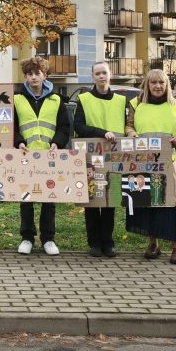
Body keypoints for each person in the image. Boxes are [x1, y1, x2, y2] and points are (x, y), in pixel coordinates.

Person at [124, 69, 176, 264]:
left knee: (169, 203)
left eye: (161, 83)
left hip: (167, 162)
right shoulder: (136, 104)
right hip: (143, 161)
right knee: (147, 201)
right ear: (147, 85)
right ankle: (153, 243)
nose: (158, 86)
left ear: (167, 85)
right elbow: (129, 126)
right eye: (153, 83)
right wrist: (132, 135)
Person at [12, 56, 70, 256]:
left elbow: (64, 127)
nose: (33, 77)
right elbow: (10, 127)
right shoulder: (17, 99)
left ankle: (48, 239)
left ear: (45, 75)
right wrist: (18, 141)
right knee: (26, 198)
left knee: (49, 199)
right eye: (29, 74)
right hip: (25, 155)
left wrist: (57, 143)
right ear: (25, 77)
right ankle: (27, 237)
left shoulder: (56, 100)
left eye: (37, 73)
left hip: (49, 156)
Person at [71, 61, 126, 258]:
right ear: (93, 76)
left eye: (104, 72)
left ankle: (108, 243)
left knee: (110, 201)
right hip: (90, 156)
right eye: (98, 73)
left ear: (110, 74)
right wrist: (104, 133)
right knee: (93, 201)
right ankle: (94, 243)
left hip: (114, 156)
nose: (102, 76)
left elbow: (128, 126)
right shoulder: (84, 99)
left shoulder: (121, 100)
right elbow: (79, 126)